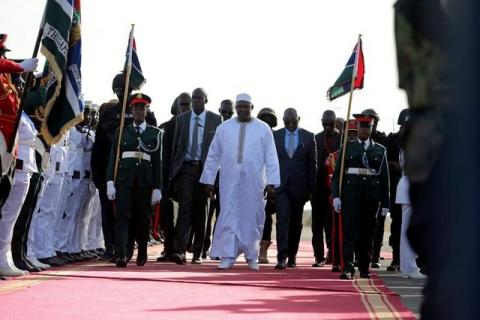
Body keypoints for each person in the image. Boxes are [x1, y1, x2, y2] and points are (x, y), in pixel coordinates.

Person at [200, 93, 280, 271]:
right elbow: (213, 155)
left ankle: (252, 256)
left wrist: (272, 182)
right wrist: (209, 181)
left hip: (255, 182)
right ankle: (227, 256)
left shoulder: (263, 128)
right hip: (230, 181)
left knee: (253, 217)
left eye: (246, 106)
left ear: (252, 107)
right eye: (240, 107)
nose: (243, 110)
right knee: (229, 215)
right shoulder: (224, 128)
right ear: (236, 108)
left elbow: (271, 157)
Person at [91, 73, 157, 262]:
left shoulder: (146, 115)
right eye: (119, 90)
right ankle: (112, 248)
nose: (121, 93)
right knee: (109, 214)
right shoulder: (108, 115)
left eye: (125, 89)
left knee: (132, 214)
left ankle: (126, 249)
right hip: (110, 172)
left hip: (136, 175)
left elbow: (153, 147)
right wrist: (99, 176)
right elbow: (99, 149)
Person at [106, 93, 163, 268]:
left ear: (147, 110)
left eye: (142, 108)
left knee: (142, 218)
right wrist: (110, 181)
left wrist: (157, 187)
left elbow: (157, 162)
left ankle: (142, 252)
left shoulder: (156, 133)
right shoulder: (122, 131)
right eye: (135, 108)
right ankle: (121, 254)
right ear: (131, 111)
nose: (138, 111)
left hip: (145, 182)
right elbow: (114, 158)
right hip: (124, 180)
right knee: (122, 217)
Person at [332, 115, 390, 280]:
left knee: (368, 233)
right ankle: (348, 268)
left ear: (371, 128)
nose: (364, 129)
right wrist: (336, 196)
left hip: (371, 197)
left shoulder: (380, 150)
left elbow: (384, 179)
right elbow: (337, 176)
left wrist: (385, 203)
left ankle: (364, 267)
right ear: (356, 127)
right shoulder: (347, 148)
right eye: (361, 126)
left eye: (367, 126)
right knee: (350, 232)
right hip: (351, 196)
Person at [169, 88, 222, 265]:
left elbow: (218, 151)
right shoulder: (182, 119)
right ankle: (180, 251)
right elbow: (176, 147)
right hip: (185, 169)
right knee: (184, 209)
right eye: (194, 98)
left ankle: (198, 252)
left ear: (206, 100)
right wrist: (173, 175)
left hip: (205, 170)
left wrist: (213, 178)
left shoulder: (216, 120)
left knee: (201, 211)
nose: (196, 101)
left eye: (200, 98)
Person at [273, 108, 316, 269]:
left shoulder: (308, 137)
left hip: (300, 187)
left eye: (293, 121)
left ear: (299, 118)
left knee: (296, 222)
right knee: (282, 220)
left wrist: (312, 189)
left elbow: (313, 166)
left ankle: (292, 255)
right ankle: (281, 257)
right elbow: (270, 161)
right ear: (283, 120)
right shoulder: (275, 136)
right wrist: (270, 184)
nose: (290, 124)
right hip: (281, 185)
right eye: (287, 122)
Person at [157, 93, 192, 262]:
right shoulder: (165, 127)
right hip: (166, 175)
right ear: (176, 106)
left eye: (188, 104)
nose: (185, 107)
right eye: (182, 104)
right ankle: (168, 247)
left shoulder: (195, 127)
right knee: (165, 211)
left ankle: (179, 249)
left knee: (185, 211)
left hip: (186, 175)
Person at [202, 99, 235, 259]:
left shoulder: (237, 131)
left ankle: (218, 249)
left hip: (227, 183)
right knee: (206, 216)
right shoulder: (212, 129)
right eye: (224, 112)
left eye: (230, 112)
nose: (227, 115)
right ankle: (203, 248)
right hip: (211, 181)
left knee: (223, 217)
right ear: (219, 111)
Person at [325, 119, 358, 272]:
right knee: (338, 231)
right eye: (348, 134)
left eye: (354, 134)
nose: (351, 137)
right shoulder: (335, 157)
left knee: (356, 231)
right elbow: (331, 179)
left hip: (358, 198)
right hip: (340, 198)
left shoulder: (362, 154)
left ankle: (355, 260)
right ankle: (337, 261)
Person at [311, 110, 341, 267]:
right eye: (325, 124)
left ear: (336, 123)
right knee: (317, 225)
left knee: (332, 224)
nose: (328, 127)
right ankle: (318, 257)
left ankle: (333, 252)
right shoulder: (315, 138)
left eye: (331, 124)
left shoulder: (341, 139)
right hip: (318, 189)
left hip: (334, 190)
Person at [382, 108, 410, 272]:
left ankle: (410, 261)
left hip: (406, 186)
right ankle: (397, 259)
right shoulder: (392, 140)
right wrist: (395, 165)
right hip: (395, 186)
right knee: (397, 225)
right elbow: (384, 161)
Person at [358, 108, 387, 269]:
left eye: (371, 121)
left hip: (375, 191)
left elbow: (385, 169)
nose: (367, 126)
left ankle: (374, 256)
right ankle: (361, 256)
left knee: (377, 227)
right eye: (364, 122)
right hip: (358, 190)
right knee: (360, 227)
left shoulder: (384, 140)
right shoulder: (355, 139)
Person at [256, 107, 278, 264]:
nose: (267, 125)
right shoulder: (253, 137)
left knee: (267, 219)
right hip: (253, 183)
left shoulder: (277, 138)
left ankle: (263, 250)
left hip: (272, 185)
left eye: (270, 122)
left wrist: (273, 183)